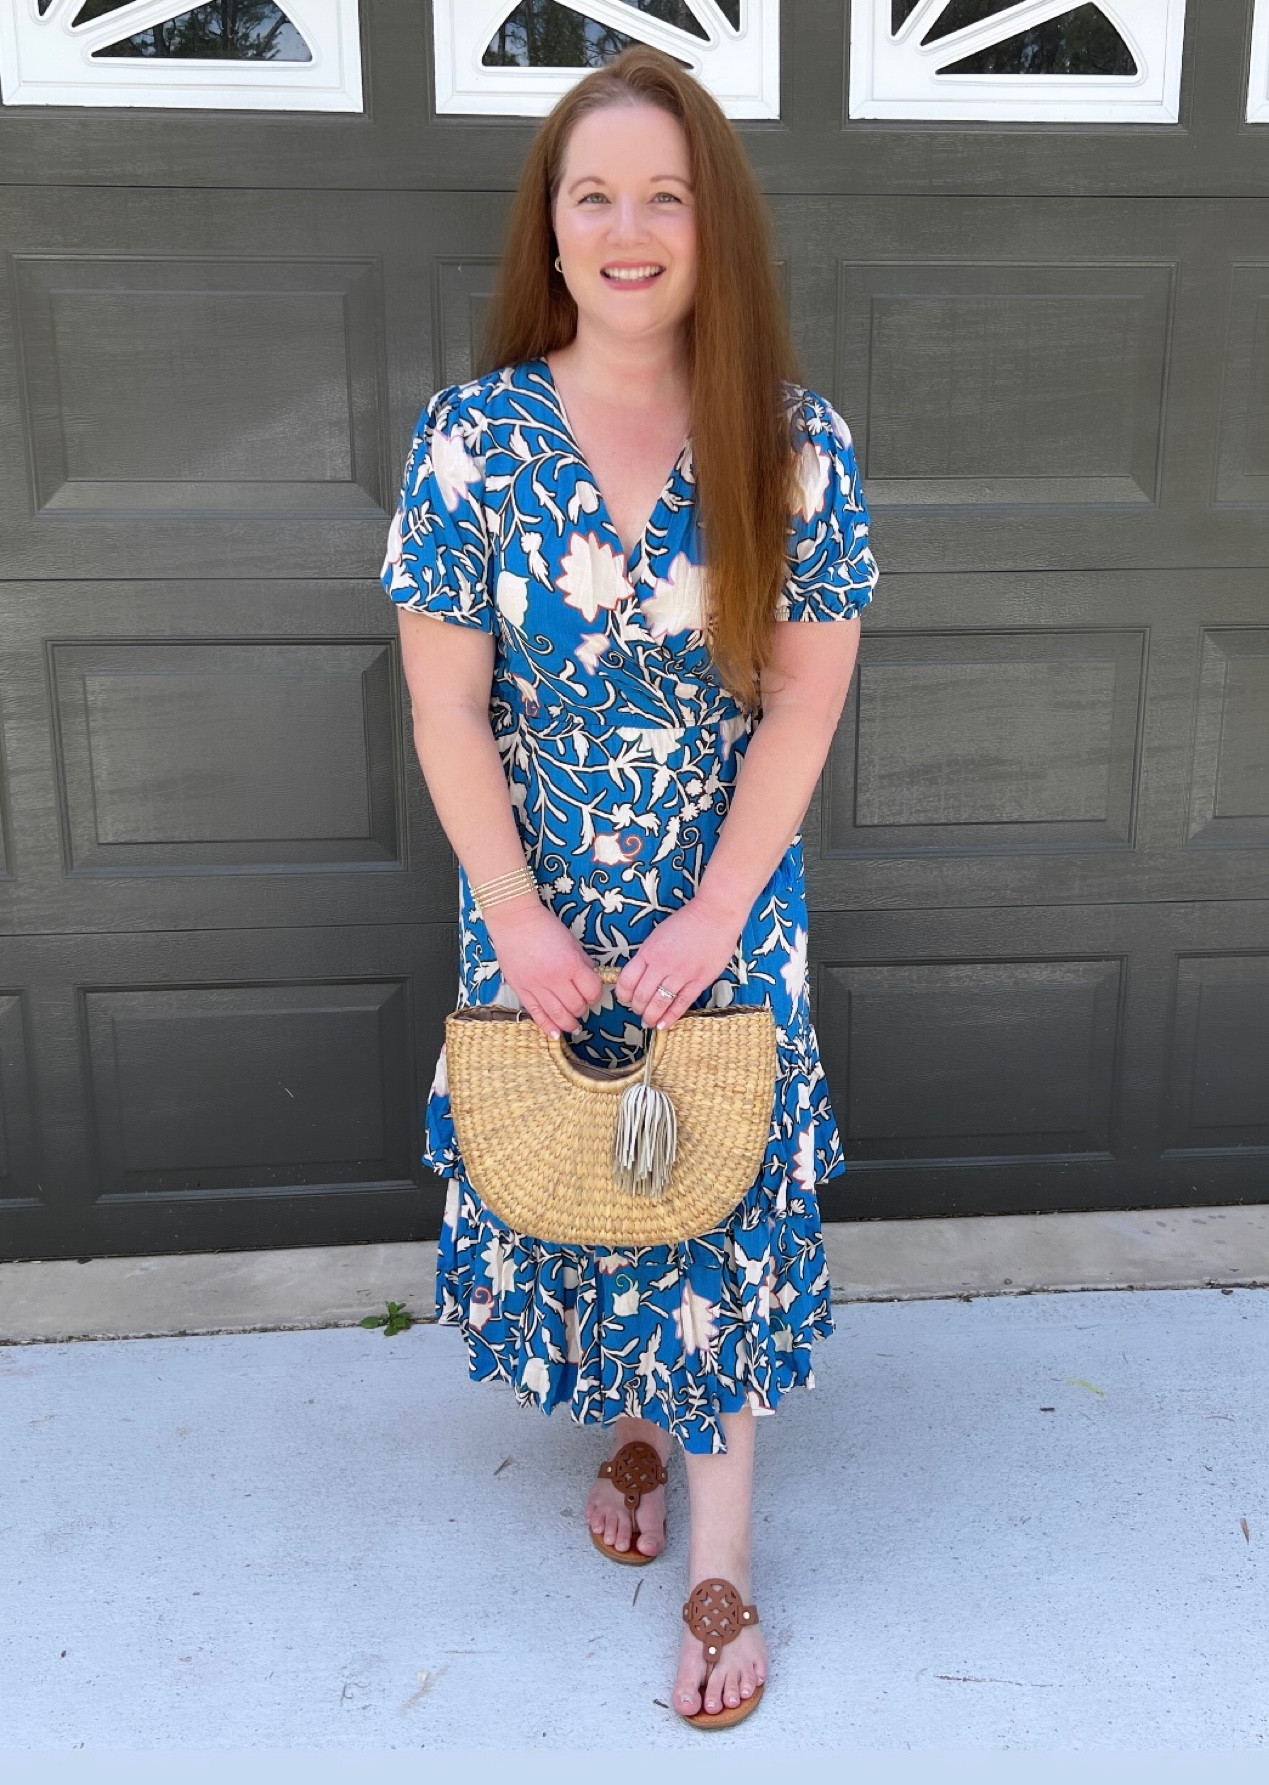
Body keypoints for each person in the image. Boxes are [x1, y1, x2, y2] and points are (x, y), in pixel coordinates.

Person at [381, 44, 877, 1730]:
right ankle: (637, 1416)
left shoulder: (792, 441)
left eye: (664, 192)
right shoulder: (470, 440)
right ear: (551, 227)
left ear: (710, 223)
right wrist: (516, 913)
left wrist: (717, 907)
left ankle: (720, 1563)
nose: (628, 226)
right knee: (589, 1171)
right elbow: (447, 700)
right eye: (593, 193)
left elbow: (804, 692)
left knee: (719, 1199)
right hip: (532, 901)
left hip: (724, 905)